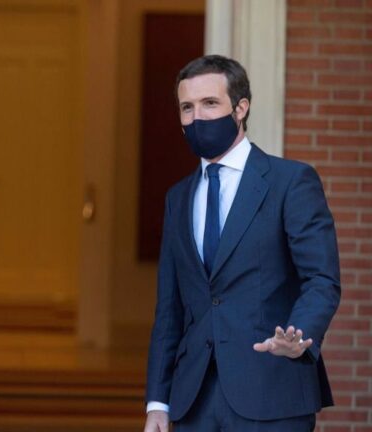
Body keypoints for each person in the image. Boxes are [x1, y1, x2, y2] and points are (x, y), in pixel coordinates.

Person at [143, 55, 341, 432]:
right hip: (193, 402)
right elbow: (168, 309)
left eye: (210, 103)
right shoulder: (177, 197)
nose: (197, 117)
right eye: (187, 107)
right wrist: (157, 401)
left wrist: (299, 336)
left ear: (240, 107)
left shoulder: (291, 182)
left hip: (273, 391)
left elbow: (322, 279)